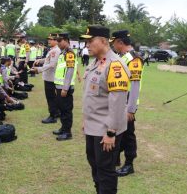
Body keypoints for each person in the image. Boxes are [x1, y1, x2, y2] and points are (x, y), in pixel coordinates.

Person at [81, 25, 130, 194]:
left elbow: (117, 102)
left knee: (105, 170)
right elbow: (92, 96)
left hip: (106, 129)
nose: (87, 45)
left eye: (90, 41)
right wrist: (85, 120)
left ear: (103, 41)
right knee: (95, 165)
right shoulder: (95, 63)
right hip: (92, 126)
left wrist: (111, 132)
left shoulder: (115, 65)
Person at [110, 30, 144, 176]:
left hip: (127, 101)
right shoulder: (123, 57)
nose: (113, 46)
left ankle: (129, 164)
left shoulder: (134, 59)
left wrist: (131, 109)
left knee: (128, 134)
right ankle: (115, 158)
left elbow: (135, 85)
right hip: (119, 100)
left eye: (114, 42)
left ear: (120, 42)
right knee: (119, 132)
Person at [31, 33, 61, 124]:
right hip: (49, 76)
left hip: (50, 77)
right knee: (53, 97)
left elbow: (52, 64)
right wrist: (40, 60)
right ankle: (57, 112)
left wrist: (39, 69)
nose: (49, 41)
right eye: (49, 39)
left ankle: (52, 116)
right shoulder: (53, 50)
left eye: (51, 39)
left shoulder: (56, 51)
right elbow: (48, 60)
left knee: (50, 97)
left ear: (56, 41)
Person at [52, 33, 77, 141]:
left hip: (65, 88)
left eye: (60, 41)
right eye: (57, 41)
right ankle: (63, 128)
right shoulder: (63, 53)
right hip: (59, 86)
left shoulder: (70, 53)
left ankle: (67, 132)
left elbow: (70, 71)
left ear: (66, 40)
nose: (58, 43)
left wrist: (65, 88)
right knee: (61, 109)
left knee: (66, 110)